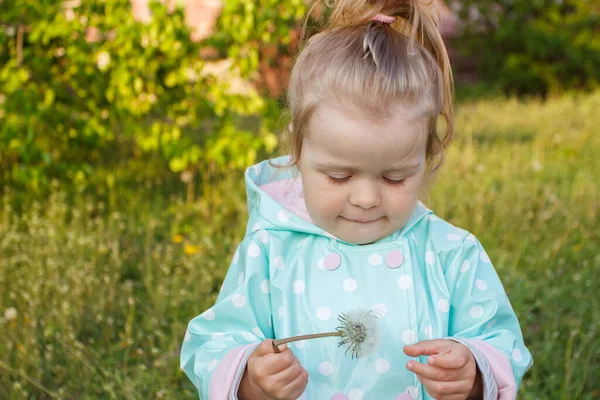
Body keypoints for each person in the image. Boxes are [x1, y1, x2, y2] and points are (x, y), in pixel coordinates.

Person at [180, 0, 533, 398]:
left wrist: (473, 369)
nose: (366, 198)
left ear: (426, 158)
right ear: (299, 151)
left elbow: (501, 342)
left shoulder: (451, 253)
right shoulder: (271, 250)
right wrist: (249, 378)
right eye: (339, 175)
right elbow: (214, 343)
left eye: (395, 177)